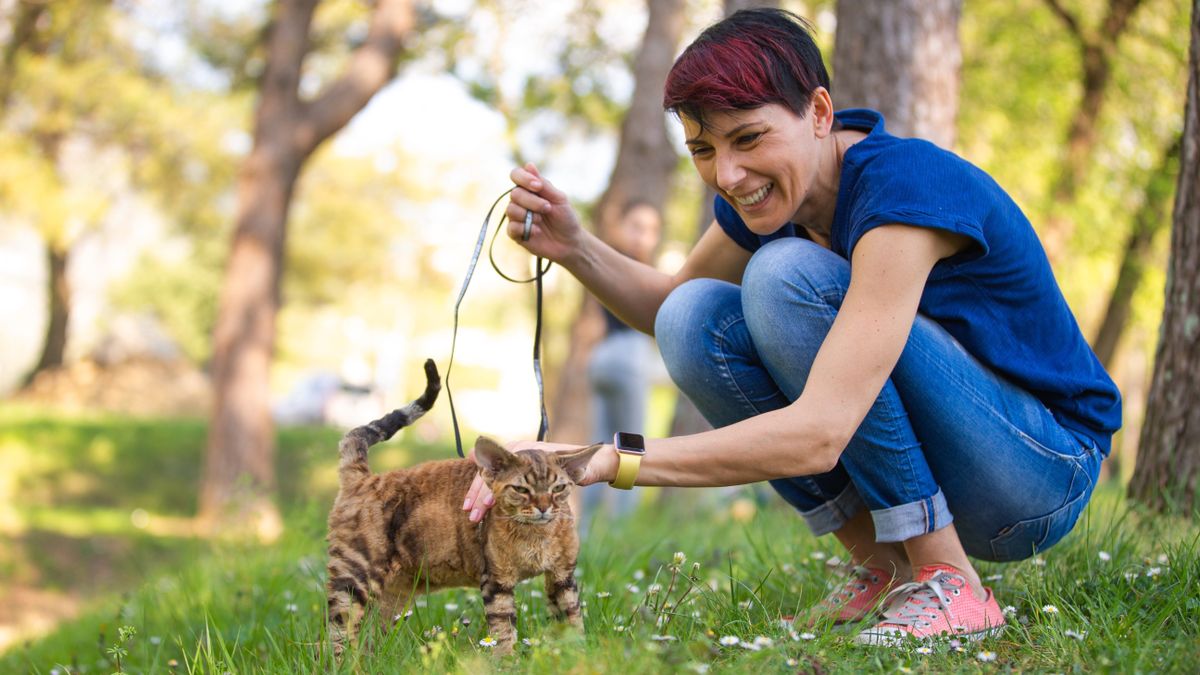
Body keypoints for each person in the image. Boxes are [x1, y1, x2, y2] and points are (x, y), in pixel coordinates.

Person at [463, 8, 1120, 645]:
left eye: (748, 138)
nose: (727, 174)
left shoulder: (902, 191)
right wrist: (574, 246)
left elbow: (820, 433)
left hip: (1040, 472)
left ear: (820, 113)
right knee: (694, 319)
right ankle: (885, 568)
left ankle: (950, 580)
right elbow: (668, 307)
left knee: (785, 277)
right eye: (703, 150)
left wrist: (604, 459)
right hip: (971, 458)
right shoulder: (777, 198)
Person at [580, 200, 663, 528]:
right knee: (632, 446)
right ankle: (619, 529)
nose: (644, 237)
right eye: (637, 227)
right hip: (628, 357)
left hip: (601, 358)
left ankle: (583, 530)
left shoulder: (604, 265)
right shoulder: (632, 268)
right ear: (621, 228)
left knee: (598, 444)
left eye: (652, 230)